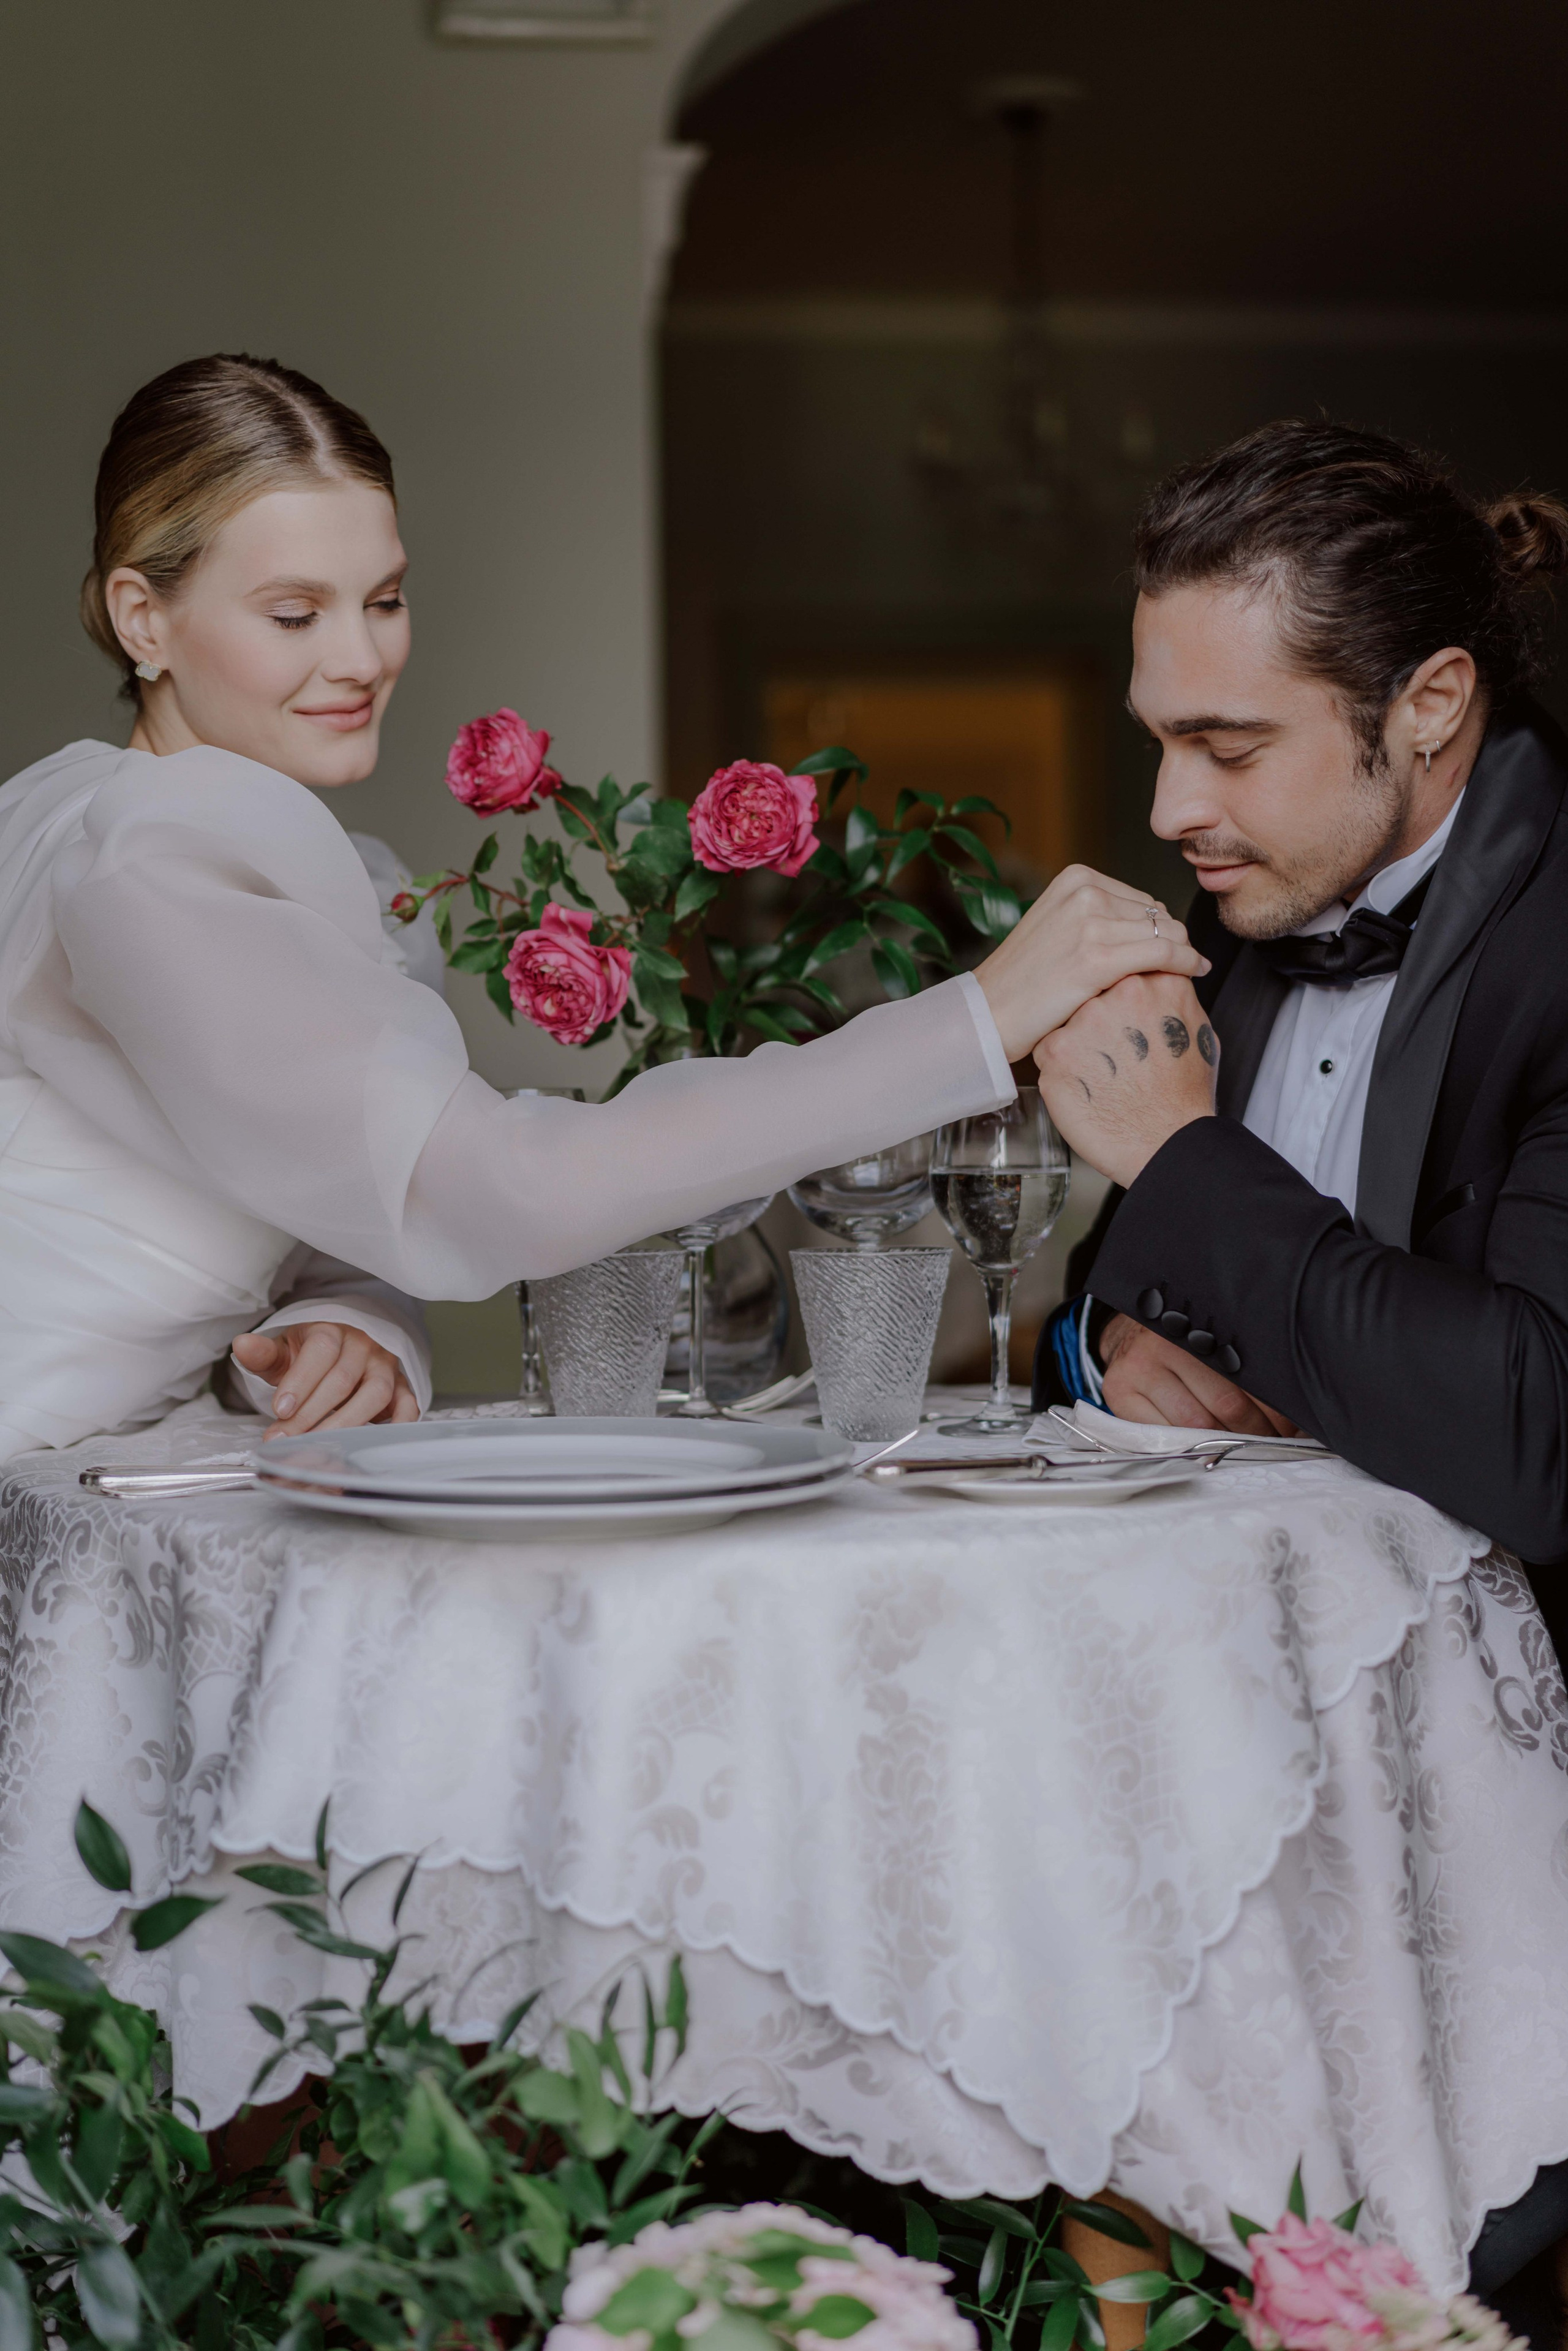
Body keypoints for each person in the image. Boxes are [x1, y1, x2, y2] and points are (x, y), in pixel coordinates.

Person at [0, 351, 1204, 1459]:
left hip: (129, 1472)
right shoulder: (147, 855)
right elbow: (501, 1187)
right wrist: (972, 1019)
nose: (363, 659)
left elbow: (333, 1198)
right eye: (294, 613)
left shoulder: (168, 828)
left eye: (384, 598)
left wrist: (356, 1318)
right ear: (141, 615)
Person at [1032, 417, 1568, 2328]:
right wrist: (1106, 1344)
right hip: (1224, 1742)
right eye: (1161, 731)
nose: (1169, 800)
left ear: (1430, 704)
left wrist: (1187, 1165)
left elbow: (1535, 1425)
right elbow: (1098, 1328)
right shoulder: (1251, 930)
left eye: (1229, 743)